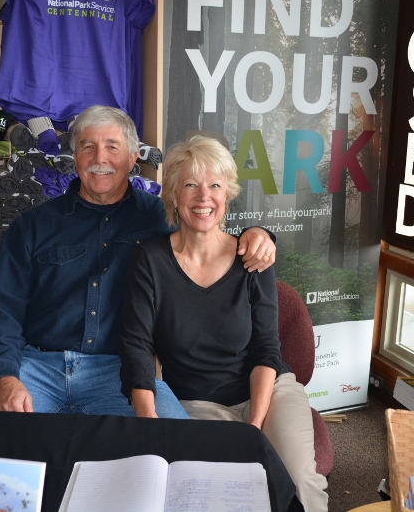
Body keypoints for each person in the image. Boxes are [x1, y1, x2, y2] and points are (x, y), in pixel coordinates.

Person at [0, 106, 276, 416]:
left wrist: (259, 234)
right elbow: (0, 308)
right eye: (88, 147)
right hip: (34, 368)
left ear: (132, 156)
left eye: (112, 146)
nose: (100, 158)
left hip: (118, 372)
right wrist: (5, 379)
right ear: (75, 158)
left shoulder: (159, 217)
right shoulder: (32, 226)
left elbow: (208, 231)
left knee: (176, 440)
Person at [119, 135, 329, 511]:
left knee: (298, 479)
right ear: (173, 196)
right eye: (191, 185)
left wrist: (256, 425)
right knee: (221, 491)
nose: (204, 197)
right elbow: (136, 347)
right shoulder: (149, 261)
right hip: (197, 401)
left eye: (215, 185)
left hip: (269, 391)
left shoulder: (253, 256)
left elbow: (267, 349)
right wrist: (148, 422)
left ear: (227, 193)